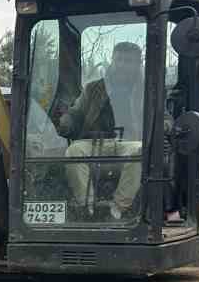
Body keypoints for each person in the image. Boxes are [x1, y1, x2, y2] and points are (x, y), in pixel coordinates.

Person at [58, 41, 146, 220]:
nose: (122, 65)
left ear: (138, 64)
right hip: (96, 142)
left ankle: (119, 208)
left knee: (139, 151)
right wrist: (67, 121)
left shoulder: (148, 90)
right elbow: (76, 112)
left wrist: (166, 125)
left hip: (130, 142)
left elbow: (164, 116)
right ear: (112, 61)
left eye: (128, 61)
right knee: (74, 151)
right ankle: (86, 206)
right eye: (119, 60)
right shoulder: (93, 89)